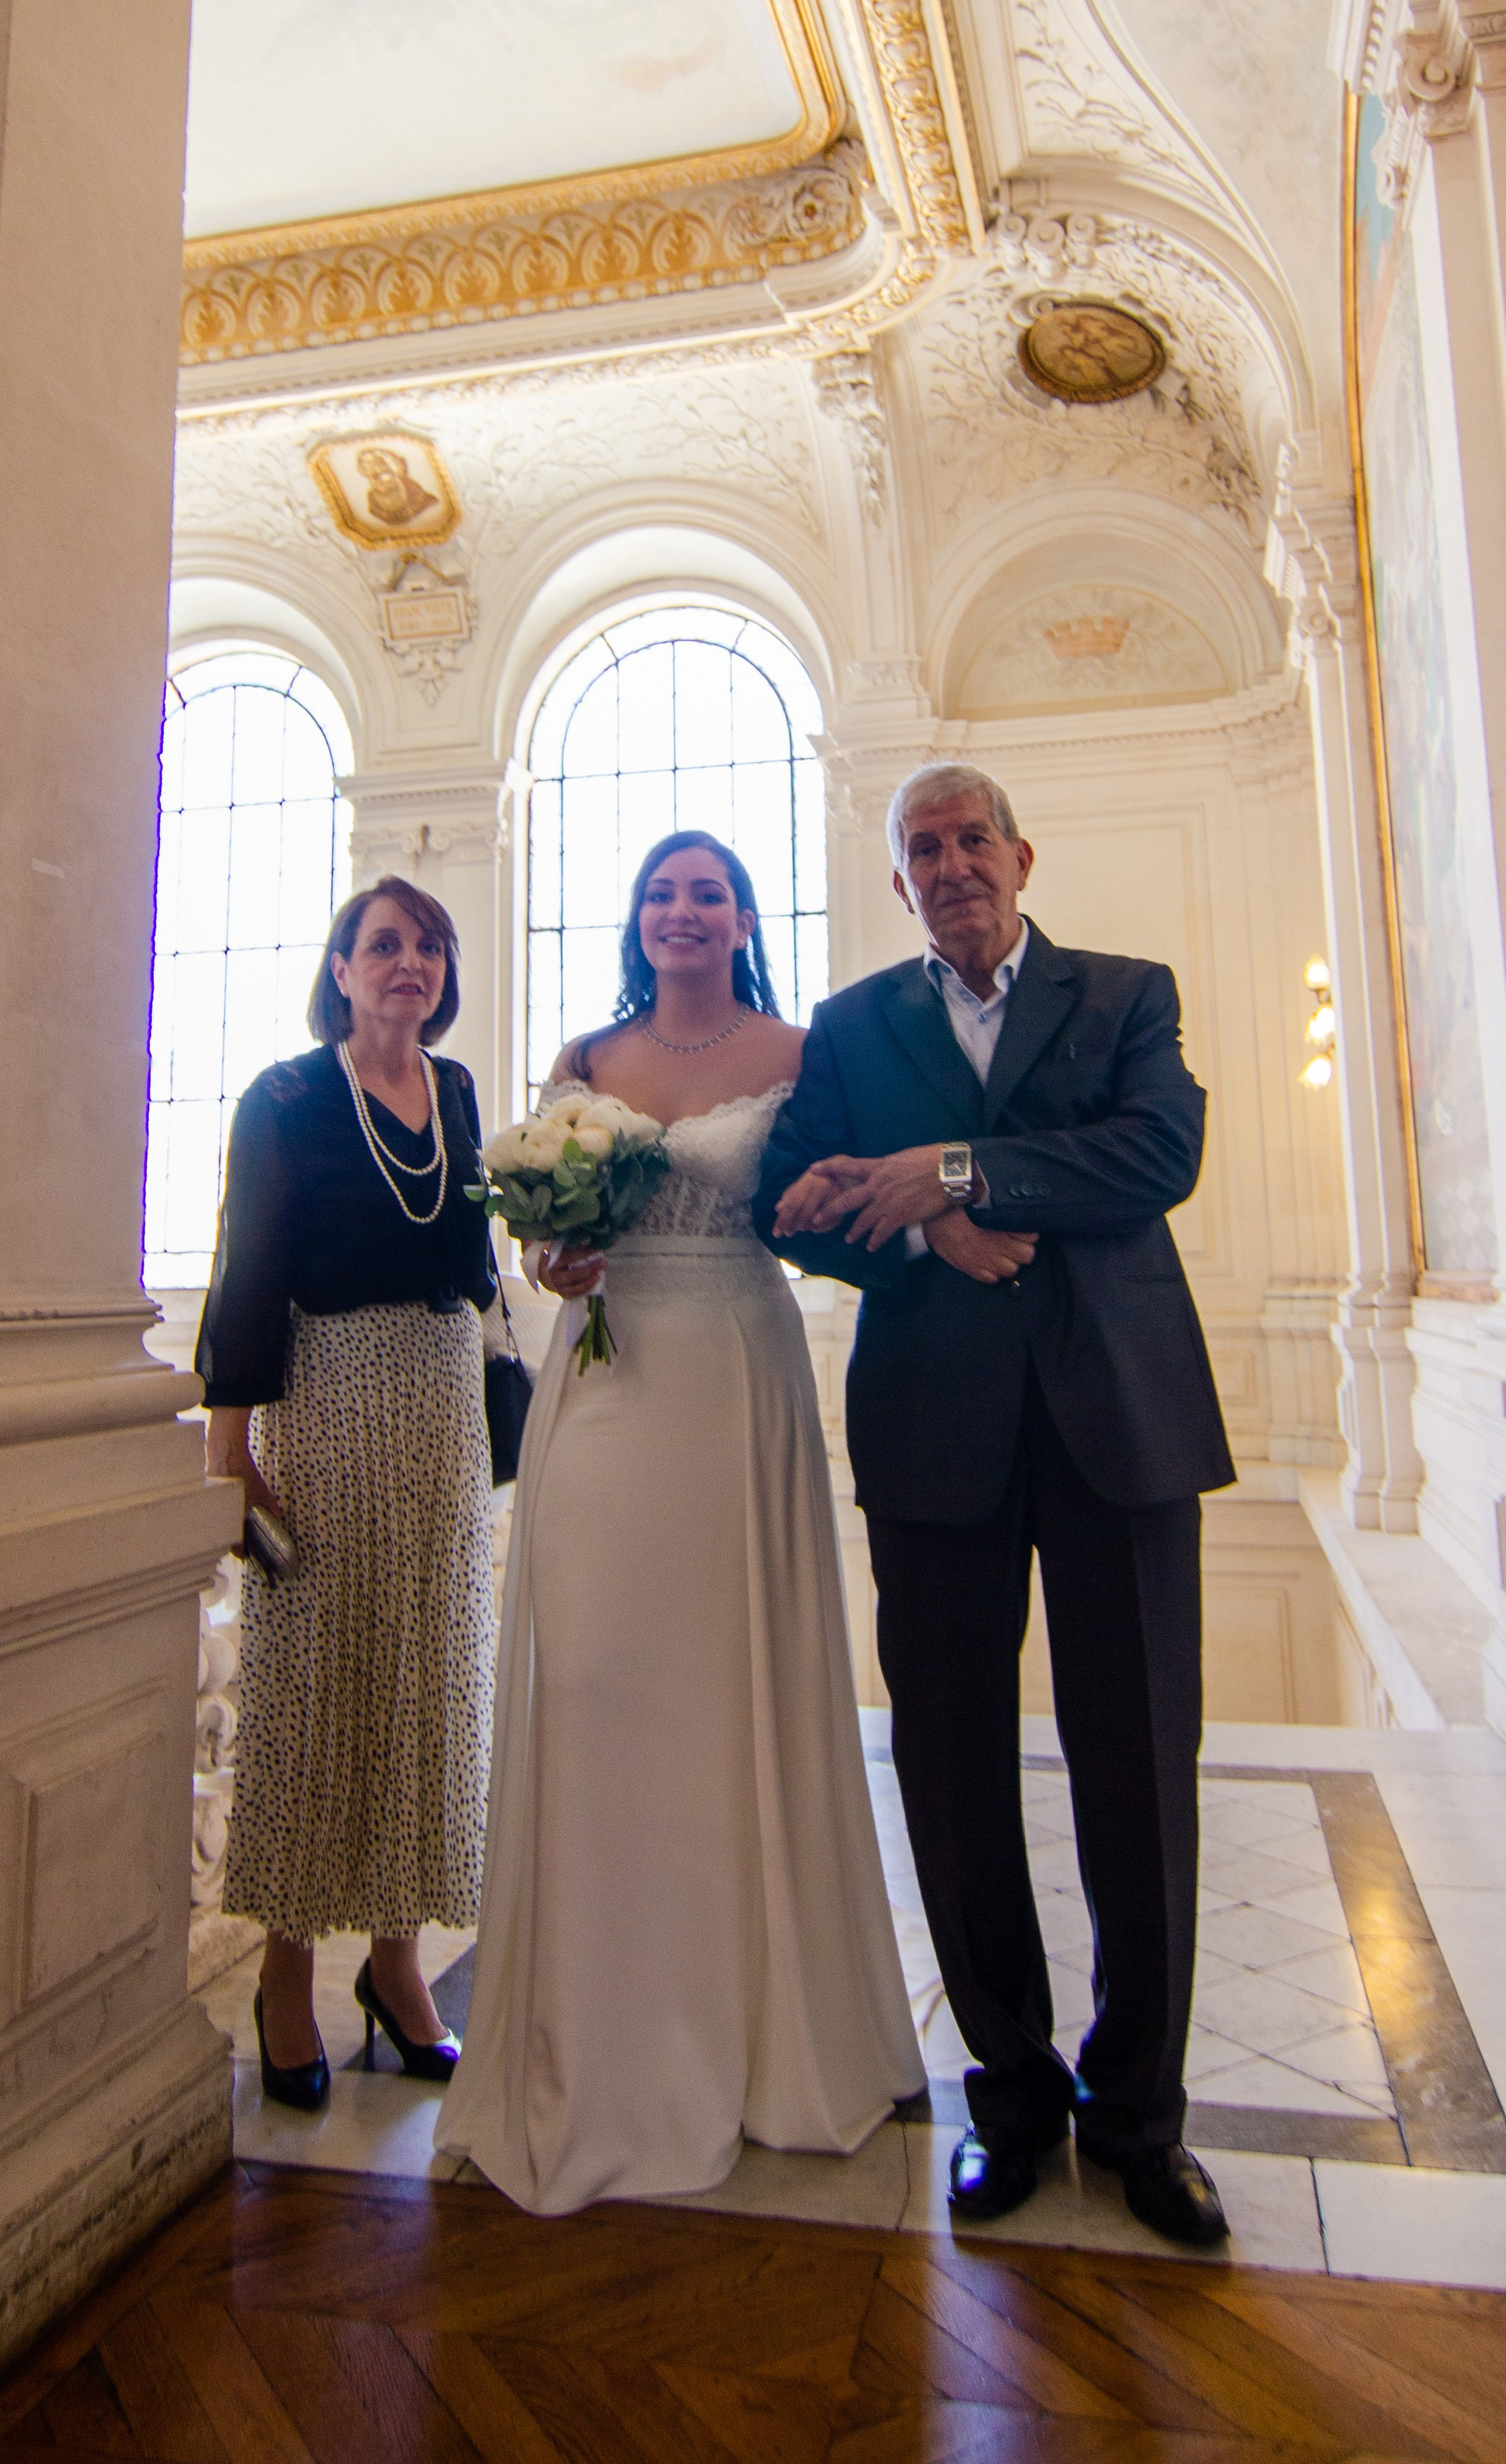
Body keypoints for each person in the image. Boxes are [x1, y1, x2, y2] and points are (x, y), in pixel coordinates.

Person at [754, 765, 1236, 2239]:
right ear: (899, 883)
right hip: (934, 1434)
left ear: (1021, 855)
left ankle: (1143, 2120)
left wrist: (953, 1168)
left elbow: (1159, 1153)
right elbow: (793, 1199)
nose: (952, 863)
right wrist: (927, 1236)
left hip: (1122, 1425)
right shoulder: (848, 1028)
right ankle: (1012, 2096)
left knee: (1141, 1774)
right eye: (924, 847)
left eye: (973, 839)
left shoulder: (1124, 991)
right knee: (953, 1773)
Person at [438, 832, 922, 2212]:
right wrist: (553, 1252)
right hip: (605, 1381)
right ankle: (596, 2038)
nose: (682, 909)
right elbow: (530, 1242)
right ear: (638, 917)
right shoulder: (587, 1057)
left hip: (733, 1374)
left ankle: (762, 2033)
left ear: (744, 916)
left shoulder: (799, 1046)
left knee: (731, 1689)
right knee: (590, 1681)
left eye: (709, 889)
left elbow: (829, 1205)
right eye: (661, 889)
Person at [196, 876, 498, 2110]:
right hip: (326, 1395)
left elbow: (474, 1253)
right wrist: (232, 1450)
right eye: (384, 944)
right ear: (340, 966)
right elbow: (248, 1262)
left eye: (428, 945)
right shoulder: (286, 1096)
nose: (407, 963)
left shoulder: (461, 1089)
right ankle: (282, 1975)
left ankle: (396, 1964)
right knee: (315, 1682)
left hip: (441, 1402)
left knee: (430, 1679)